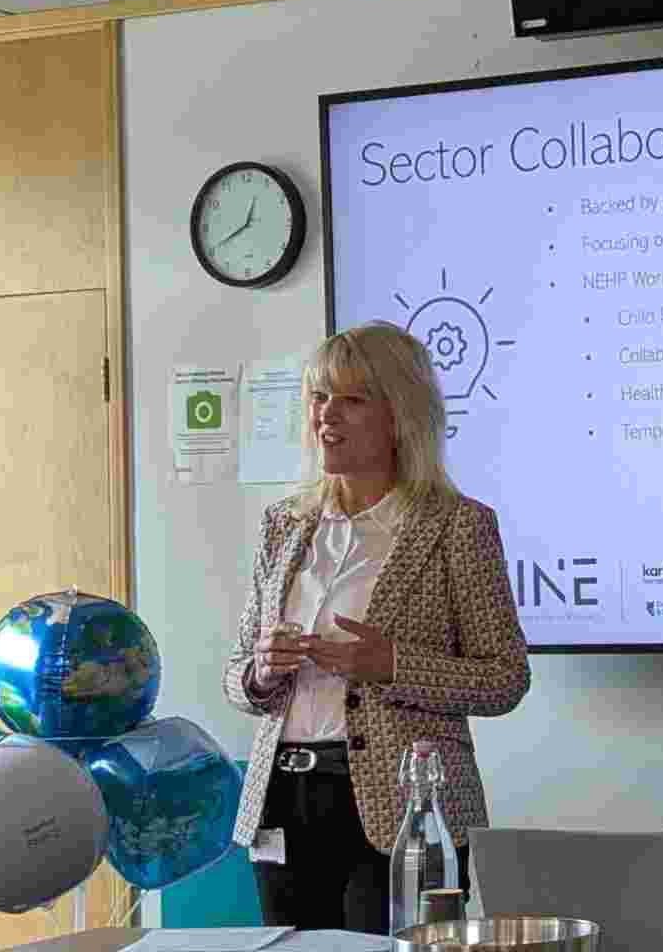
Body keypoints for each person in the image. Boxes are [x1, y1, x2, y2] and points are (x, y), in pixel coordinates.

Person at [221, 320, 532, 933]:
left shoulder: (458, 526)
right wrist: (260, 672)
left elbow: (505, 679)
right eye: (319, 396)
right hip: (282, 801)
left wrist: (391, 665)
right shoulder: (284, 523)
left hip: (407, 806)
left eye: (352, 399)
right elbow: (237, 674)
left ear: (399, 417)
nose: (326, 415)